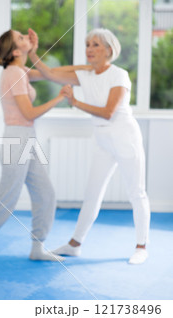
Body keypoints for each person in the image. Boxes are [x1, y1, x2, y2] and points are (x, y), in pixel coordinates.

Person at [28, 28, 151, 264]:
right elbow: (51, 73)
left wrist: (75, 102)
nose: (89, 49)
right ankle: (75, 244)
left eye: (95, 45)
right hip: (102, 138)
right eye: (87, 44)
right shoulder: (85, 74)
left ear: (109, 50)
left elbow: (108, 112)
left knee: (137, 192)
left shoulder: (119, 75)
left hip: (125, 136)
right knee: (92, 193)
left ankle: (141, 246)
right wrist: (33, 53)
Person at [0, 29, 84, 270]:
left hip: (26, 139)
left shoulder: (19, 71)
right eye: (21, 37)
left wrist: (33, 51)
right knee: (6, 202)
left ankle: (37, 246)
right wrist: (60, 98)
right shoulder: (14, 73)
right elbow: (29, 113)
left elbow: (47, 75)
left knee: (45, 194)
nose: (25, 36)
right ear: (14, 51)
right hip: (17, 139)